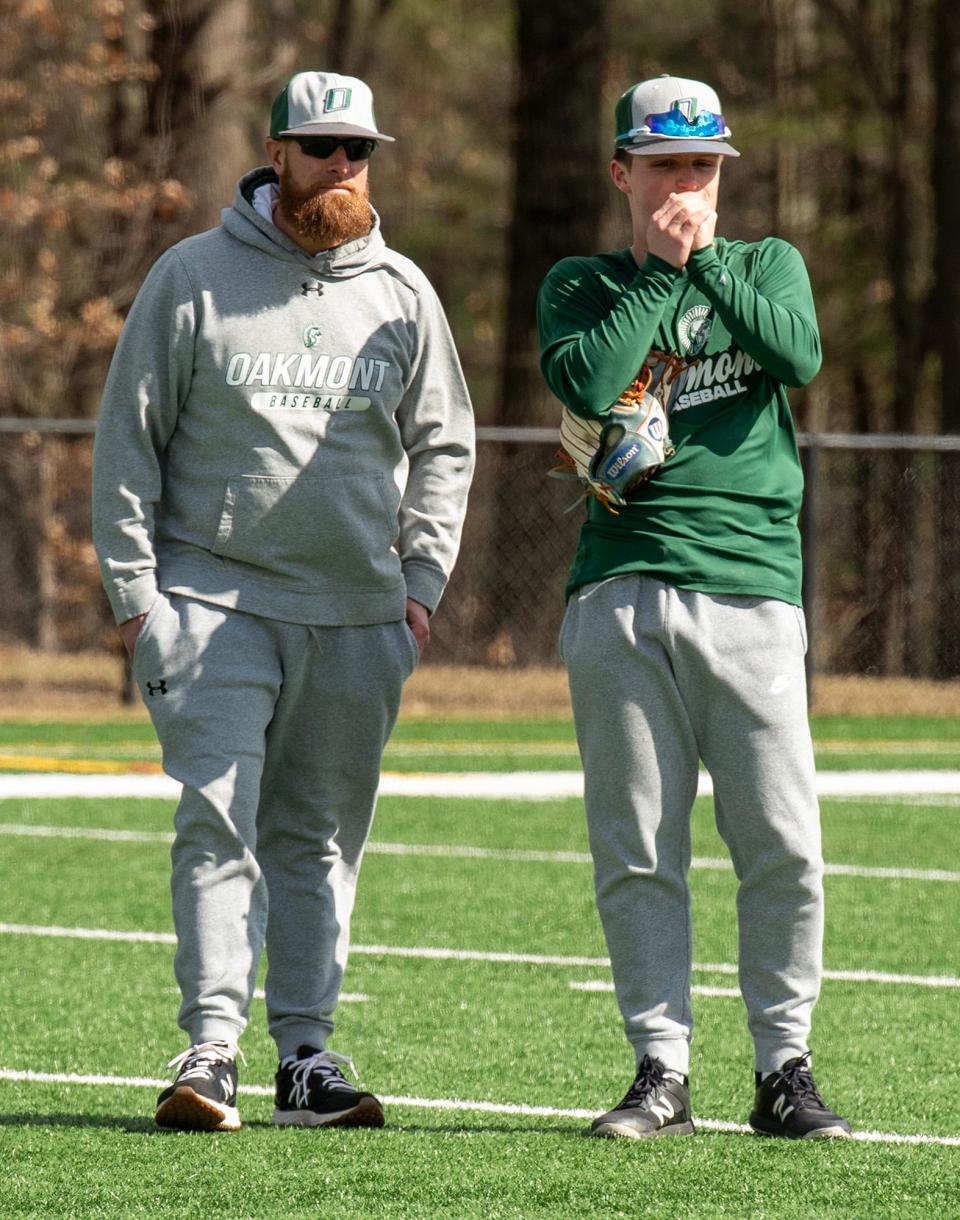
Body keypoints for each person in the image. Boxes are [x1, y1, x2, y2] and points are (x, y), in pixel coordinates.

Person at [92, 70, 474, 1132]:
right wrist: (136, 600)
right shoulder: (194, 276)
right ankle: (209, 1047)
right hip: (212, 601)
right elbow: (129, 439)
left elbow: (446, 444)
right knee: (219, 824)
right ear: (278, 151)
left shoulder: (402, 290)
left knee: (315, 838)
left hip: (359, 617)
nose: (342, 168)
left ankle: (306, 1056)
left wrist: (420, 586)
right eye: (322, 148)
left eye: (359, 151)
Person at [537, 74, 850, 1140]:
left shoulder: (766, 265)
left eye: (705, 166)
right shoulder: (584, 284)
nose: (688, 185)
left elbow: (797, 355)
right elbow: (590, 382)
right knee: (638, 844)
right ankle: (660, 1067)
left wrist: (706, 259)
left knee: (782, 840)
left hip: (751, 585)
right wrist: (660, 273)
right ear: (623, 171)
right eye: (667, 165)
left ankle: (784, 1063)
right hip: (621, 584)